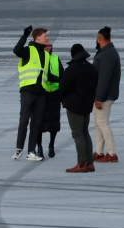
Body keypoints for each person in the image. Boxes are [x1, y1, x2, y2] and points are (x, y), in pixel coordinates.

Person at [58, 44, 99, 173]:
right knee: (85, 132)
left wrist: (60, 99)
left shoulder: (71, 69)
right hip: (87, 106)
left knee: (78, 134)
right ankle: (90, 163)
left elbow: (63, 88)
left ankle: (81, 164)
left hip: (74, 107)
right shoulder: (92, 69)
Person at [13, 26, 50, 161]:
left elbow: (48, 74)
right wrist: (24, 36)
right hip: (28, 91)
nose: (47, 38)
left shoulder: (47, 54)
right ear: (38, 38)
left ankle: (31, 151)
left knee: (36, 123)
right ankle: (19, 149)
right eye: (45, 36)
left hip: (41, 94)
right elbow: (16, 50)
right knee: (24, 121)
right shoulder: (28, 50)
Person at [92, 26, 121, 163]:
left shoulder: (107, 54)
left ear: (99, 38)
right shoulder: (106, 52)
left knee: (102, 123)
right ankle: (99, 151)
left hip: (105, 95)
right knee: (98, 123)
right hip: (102, 93)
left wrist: (99, 97)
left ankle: (112, 153)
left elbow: (104, 78)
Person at [39, 42, 63, 158]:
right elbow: (46, 75)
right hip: (42, 94)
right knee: (39, 122)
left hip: (54, 94)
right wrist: (57, 79)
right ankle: (39, 147)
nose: (48, 47)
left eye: (50, 46)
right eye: (46, 46)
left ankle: (51, 144)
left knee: (54, 122)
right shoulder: (39, 58)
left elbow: (63, 76)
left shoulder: (55, 58)